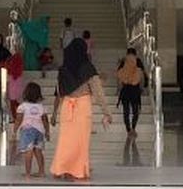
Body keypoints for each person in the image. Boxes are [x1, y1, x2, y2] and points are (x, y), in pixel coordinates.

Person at [50, 38, 113, 181]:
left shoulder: (63, 69)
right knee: (80, 141)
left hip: (67, 107)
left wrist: (54, 114)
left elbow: (59, 92)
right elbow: (98, 92)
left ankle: (62, 169)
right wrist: (106, 113)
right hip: (82, 107)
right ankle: (75, 170)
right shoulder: (88, 68)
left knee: (65, 140)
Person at [13, 82, 51, 179]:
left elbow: (18, 119)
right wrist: (47, 132)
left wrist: (15, 130)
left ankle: (28, 173)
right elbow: (45, 121)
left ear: (25, 93)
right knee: (38, 151)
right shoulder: (41, 107)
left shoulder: (22, 107)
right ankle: (41, 171)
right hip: (39, 131)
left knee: (28, 151)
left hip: (27, 131)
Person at [116, 48, 145, 137]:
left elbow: (119, 76)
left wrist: (119, 89)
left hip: (125, 89)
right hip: (135, 90)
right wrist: (141, 88)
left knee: (126, 111)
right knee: (135, 110)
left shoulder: (123, 62)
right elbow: (142, 76)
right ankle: (133, 128)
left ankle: (128, 130)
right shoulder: (138, 61)